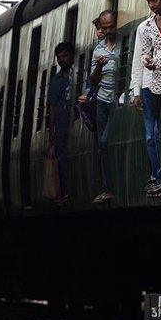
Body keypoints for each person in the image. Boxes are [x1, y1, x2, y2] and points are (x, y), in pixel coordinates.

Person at [131, 0, 161, 198]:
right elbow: (138, 59)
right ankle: (156, 176)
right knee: (150, 134)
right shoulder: (144, 28)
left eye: (155, 0)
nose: (152, 5)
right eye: (149, 1)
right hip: (148, 85)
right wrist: (136, 91)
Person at [79, 10, 119, 204]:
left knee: (106, 141)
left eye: (112, 27)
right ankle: (107, 187)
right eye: (105, 28)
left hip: (117, 101)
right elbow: (93, 81)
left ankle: (109, 187)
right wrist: (99, 67)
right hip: (103, 101)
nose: (109, 31)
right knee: (102, 143)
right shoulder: (98, 50)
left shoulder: (123, 45)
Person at [47, 42, 75, 203]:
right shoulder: (56, 80)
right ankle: (64, 191)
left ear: (71, 56)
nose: (62, 60)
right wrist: (51, 131)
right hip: (61, 122)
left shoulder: (76, 74)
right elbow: (52, 106)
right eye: (59, 58)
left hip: (73, 118)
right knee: (62, 159)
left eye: (65, 56)